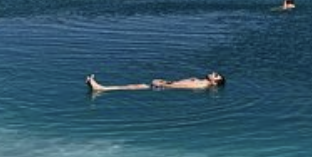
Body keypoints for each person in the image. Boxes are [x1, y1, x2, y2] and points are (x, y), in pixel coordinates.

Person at [85, 72, 226, 92]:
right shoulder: (202, 82)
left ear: (214, 83)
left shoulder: (202, 84)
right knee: (134, 86)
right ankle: (101, 88)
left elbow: (183, 86)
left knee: (134, 86)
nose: (214, 73)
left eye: (217, 76)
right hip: (164, 85)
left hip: (162, 88)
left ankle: (100, 88)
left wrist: (162, 84)